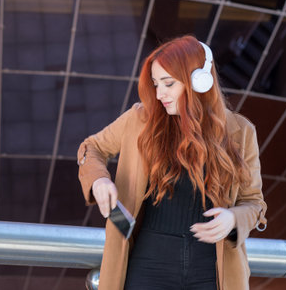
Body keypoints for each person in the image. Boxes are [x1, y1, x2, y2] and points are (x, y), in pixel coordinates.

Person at [77, 35, 267, 290]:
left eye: (168, 84)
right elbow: (92, 148)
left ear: (199, 82)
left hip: (212, 268)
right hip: (148, 261)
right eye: (156, 84)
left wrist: (233, 219)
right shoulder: (140, 119)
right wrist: (99, 179)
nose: (159, 94)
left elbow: (254, 204)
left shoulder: (241, 132)